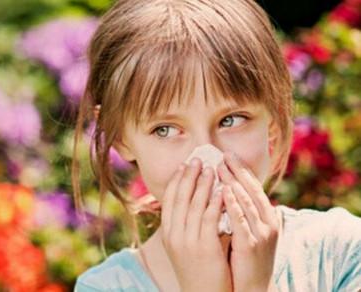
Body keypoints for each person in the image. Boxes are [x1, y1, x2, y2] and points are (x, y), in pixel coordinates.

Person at [71, 0, 361, 291]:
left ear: (273, 119)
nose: (208, 157)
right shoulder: (104, 287)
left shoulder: (340, 253)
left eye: (231, 120)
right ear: (120, 136)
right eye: (166, 129)